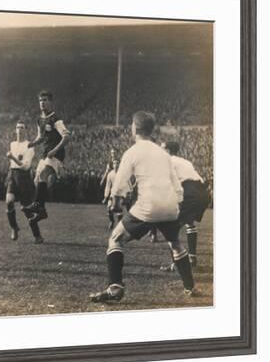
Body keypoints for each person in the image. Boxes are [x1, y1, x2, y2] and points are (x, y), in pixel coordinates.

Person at [89, 111, 196, 303]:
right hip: (171, 205)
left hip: (148, 206)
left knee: (115, 239)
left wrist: (115, 199)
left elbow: (120, 180)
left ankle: (115, 287)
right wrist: (176, 204)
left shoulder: (132, 152)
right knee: (175, 243)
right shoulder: (163, 154)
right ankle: (190, 286)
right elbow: (177, 186)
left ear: (134, 127)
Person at [159, 140, 210, 271]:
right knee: (189, 222)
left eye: (162, 148)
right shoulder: (185, 161)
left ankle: (177, 264)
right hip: (203, 192)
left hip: (189, 191)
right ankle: (192, 257)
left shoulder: (167, 161)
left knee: (170, 228)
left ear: (168, 151)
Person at [22, 90, 71, 223]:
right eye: (40, 100)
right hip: (46, 153)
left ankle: (37, 205)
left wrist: (54, 151)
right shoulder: (39, 120)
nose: (42, 103)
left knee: (43, 174)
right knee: (37, 180)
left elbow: (66, 137)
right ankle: (42, 211)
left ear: (50, 102)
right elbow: (41, 137)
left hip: (56, 154)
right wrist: (32, 143)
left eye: (45, 100)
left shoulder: (56, 119)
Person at [5, 121, 44, 243]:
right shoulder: (12, 144)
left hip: (24, 178)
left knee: (27, 209)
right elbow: (13, 164)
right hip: (13, 175)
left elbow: (26, 166)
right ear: (15, 130)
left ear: (26, 130)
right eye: (17, 127)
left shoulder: (29, 146)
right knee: (9, 201)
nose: (19, 129)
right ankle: (14, 228)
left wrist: (13, 158)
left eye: (22, 127)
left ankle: (37, 235)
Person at [101, 159, 122, 230]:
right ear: (113, 165)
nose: (116, 165)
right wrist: (105, 197)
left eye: (117, 163)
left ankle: (119, 226)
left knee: (119, 210)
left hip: (120, 194)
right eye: (115, 164)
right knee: (109, 208)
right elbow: (108, 186)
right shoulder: (110, 174)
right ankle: (112, 221)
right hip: (112, 194)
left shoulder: (122, 173)